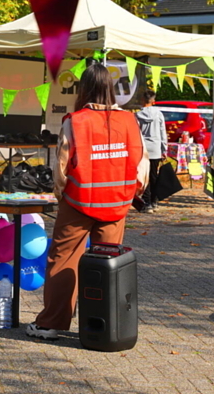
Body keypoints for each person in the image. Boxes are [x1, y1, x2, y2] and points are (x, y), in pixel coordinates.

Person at [25, 63, 147, 340]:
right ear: (111, 88)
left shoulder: (75, 121)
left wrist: (60, 195)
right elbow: (142, 166)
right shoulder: (130, 121)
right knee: (108, 266)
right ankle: (104, 326)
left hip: (78, 202)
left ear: (84, 89)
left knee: (63, 260)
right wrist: (131, 193)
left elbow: (61, 167)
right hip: (116, 205)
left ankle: (51, 323)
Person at [134, 89, 166, 213]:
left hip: (143, 148)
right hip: (156, 147)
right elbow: (163, 132)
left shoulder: (137, 115)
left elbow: (135, 133)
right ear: (153, 101)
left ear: (143, 100)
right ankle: (154, 201)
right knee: (154, 176)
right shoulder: (159, 114)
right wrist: (164, 148)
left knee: (144, 176)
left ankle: (147, 203)